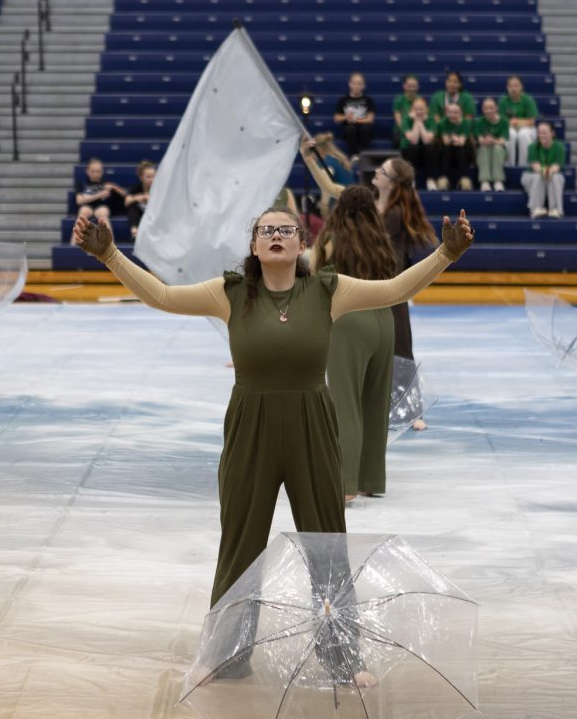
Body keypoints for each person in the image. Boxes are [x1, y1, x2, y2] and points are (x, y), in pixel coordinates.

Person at [70, 194, 473, 613]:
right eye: (267, 231)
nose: (276, 235)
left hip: (313, 426)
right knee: (240, 546)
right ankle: (230, 642)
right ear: (254, 245)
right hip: (250, 428)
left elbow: (394, 289)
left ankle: (339, 647)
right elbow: (164, 296)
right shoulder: (229, 292)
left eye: (286, 230)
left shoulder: (328, 290)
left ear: (302, 244)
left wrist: (446, 254)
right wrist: (109, 255)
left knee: (327, 543)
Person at [304, 142, 438, 431]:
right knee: (364, 343)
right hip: (364, 284)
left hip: (390, 285)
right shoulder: (369, 203)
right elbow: (330, 187)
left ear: (393, 183)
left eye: (383, 172)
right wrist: (310, 159)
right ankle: (366, 401)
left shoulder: (396, 213)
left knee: (400, 345)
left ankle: (411, 409)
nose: (376, 172)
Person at [310, 185, 399, 503]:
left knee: (345, 405)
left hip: (349, 322)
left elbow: (315, 276)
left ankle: (345, 484)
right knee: (376, 404)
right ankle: (370, 479)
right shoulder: (380, 239)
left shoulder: (332, 239)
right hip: (385, 320)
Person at [70, 157, 125, 240]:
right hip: (87, 206)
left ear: (102, 172)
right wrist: (99, 195)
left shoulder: (106, 183)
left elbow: (126, 195)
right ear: (87, 171)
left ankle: (110, 244)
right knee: (83, 212)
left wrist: (115, 187)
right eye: (93, 171)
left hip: (101, 207)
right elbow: (79, 201)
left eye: (98, 171)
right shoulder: (82, 184)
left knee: (103, 213)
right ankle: (74, 243)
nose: (95, 174)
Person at [521, 120, 567, 219]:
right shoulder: (532, 147)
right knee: (539, 177)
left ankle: (556, 209)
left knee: (555, 177)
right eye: (539, 133)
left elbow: (556, 166)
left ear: (552, 133)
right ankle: (535, 209)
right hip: (531, 175)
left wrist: (549, 171)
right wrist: (545, 171)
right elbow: (535, 167)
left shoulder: (559, 147)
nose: (542, 136)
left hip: (551, 176)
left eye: (545, 133)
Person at [498, 76, 539, 167]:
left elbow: (531, 122)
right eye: (511, 86)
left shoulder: (528, 100)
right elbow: (502, 122)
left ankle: (524, 166)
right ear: (507, 88)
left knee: (523, 134)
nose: (513, 89)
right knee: (510, 134)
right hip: (510, 128)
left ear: (521, 87)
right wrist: (516, 122)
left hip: (527, 129)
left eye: (516, 86)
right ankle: (509, 165)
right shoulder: (503, 101)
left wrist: (516, 122)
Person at [332, 72, 375, 157]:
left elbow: (370, 119)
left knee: (365, 128)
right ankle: (354, 155)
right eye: (354, 83)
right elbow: (336, 118)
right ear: (349, 84)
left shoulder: (368, 100)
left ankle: (364, 155)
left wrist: (357, 120)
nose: (356, 86)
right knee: (351, 129)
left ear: (364, 86)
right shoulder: (343, 100)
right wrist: (346, 117)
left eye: (359, 84)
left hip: (363, 127)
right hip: (349, 128)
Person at [473, 97, 509, 192]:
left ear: (496, 108)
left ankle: (498, 180)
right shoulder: (479, 122)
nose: (488, 111)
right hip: (484, 148)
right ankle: (485, 181)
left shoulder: (504, 121)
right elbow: (480, 139)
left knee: (497, 148)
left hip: (499, 149)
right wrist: (485, 141)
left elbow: (502, 140)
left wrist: (493, 141)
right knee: (483, 148)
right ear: (482, 109)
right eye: (486, 108)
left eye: (491, 108)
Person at [435, 101, 473, 191]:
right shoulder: (442, 123)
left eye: (456, 112)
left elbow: (462, 142)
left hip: (463, 153)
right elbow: (446, 142)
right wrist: (455, 139)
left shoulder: (466, 123)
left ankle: (465, 179)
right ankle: (443, 179)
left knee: (458, 148)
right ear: (446, 113)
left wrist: (453, 139)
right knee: (448, 148)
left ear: (461, 113)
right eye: (450, 112)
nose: (453, 115)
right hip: (446, 153)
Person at [124, 159, 154, 239]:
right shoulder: (136, 188)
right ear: (141, 177)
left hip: (153, 213)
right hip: (140, 212)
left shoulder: (159, 188)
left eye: (153, 176)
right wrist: (140, 197)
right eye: (148, 177)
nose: (151, 179)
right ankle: (134, 230)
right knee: (132, 205)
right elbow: (126, 202)